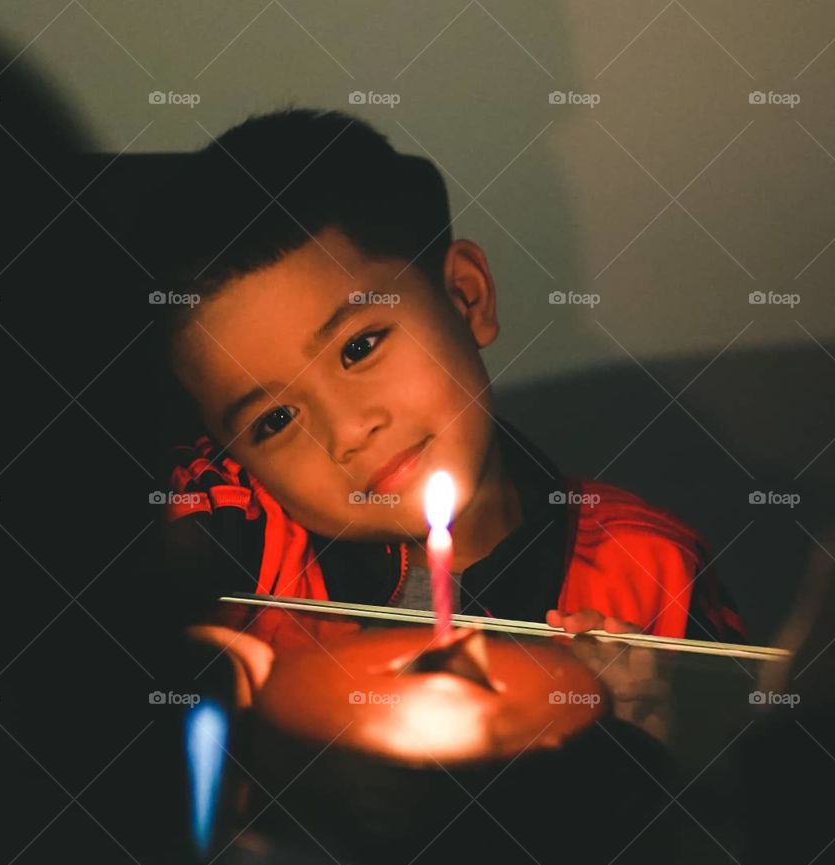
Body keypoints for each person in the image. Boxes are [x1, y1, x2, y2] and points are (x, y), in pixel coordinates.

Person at [146, 107, 746, 653]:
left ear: (466, 296)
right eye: (275, 420)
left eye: (359, 347)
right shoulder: (231, 540)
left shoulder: (653, 573)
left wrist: (634, 745)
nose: (350, 430)